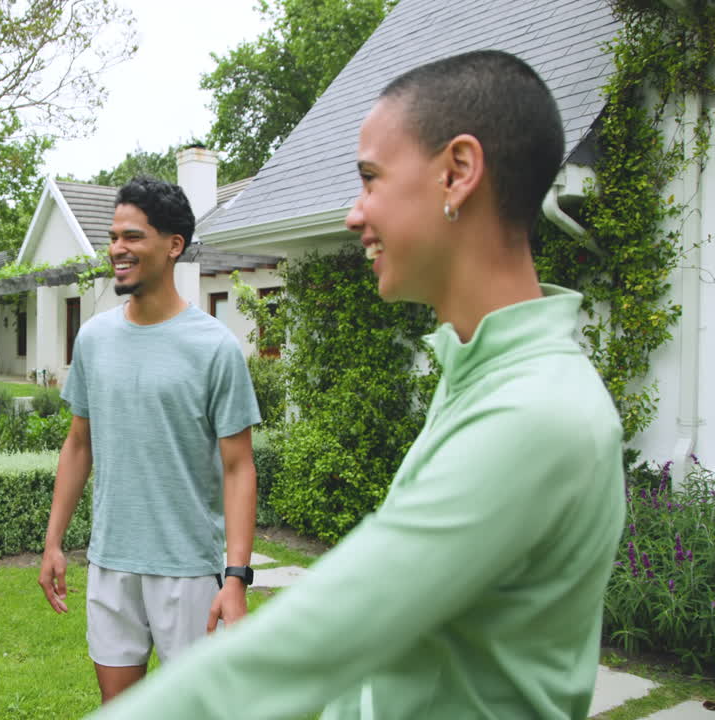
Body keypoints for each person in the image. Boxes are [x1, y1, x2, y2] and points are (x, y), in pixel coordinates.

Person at [89, 50, 626, 719]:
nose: (353, 213)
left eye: (370, 179)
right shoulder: (486, 377)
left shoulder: (534, 414)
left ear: (457, 173)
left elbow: (318, 639)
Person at [37, 175, 263, 703]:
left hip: (187, 569)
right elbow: (78, 445)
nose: (118, 248)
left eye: (134, 237)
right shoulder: (93, 337)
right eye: (115, 236)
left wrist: (236, 576)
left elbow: (239, 467)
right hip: (111, 560)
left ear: (173, 245)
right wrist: (53, 542)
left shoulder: (214, 347)